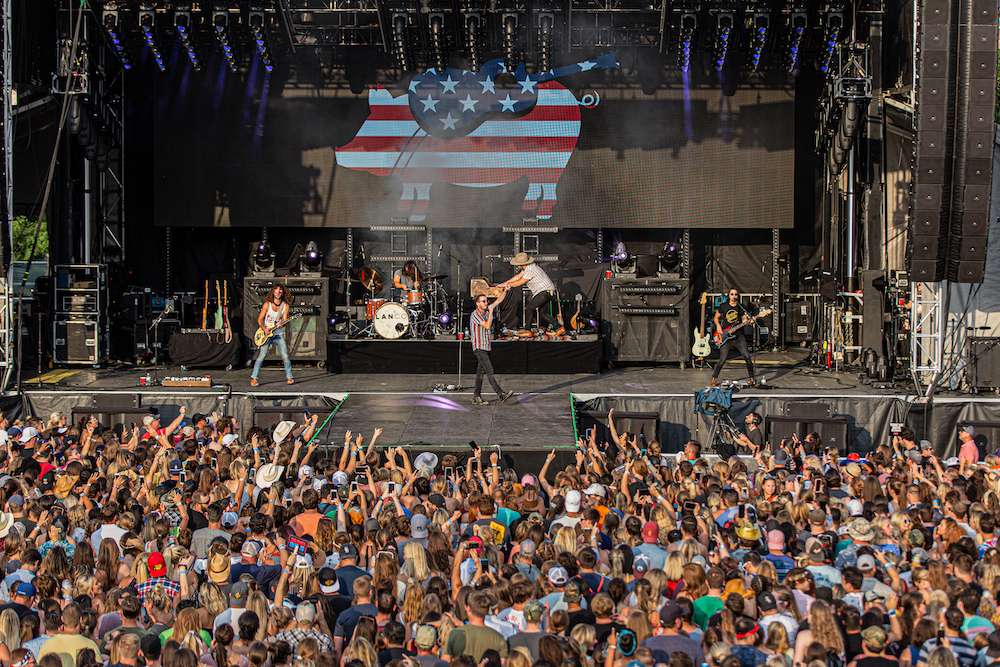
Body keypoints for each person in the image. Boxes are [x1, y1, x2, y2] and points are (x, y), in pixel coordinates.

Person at [496, 253, 561, 334]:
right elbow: (517, 277)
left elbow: (520, 282)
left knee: (529, 309)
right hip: (548, 291)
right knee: (543, 313)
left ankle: (527, 330)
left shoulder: (531, 269)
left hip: (544, 292)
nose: (517, 266)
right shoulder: (527, 268)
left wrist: (507, 285)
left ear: (521, 264)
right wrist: (503, 284)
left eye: (518, 264)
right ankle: (559, 328)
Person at [469, 290, 514, 406]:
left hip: (486, 347)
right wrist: (491, 312)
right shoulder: (475, 314)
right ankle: (501, 394)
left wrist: (506, 290)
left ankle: (476, 396)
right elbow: (487, 326)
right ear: (477, 304)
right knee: (490, 371)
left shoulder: (486, 310)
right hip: (479, 348)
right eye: (483, 301)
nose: (486, 303)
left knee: (480, 373)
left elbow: (498, 301)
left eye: (486, 301)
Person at [710, 288, 757, 386]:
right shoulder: (724, 306)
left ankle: (752, 379)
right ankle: (714, 379)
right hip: (725, 335)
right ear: (729, 295)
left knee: (747, 356)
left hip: (739, 336)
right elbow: (715, 318)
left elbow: (744, 319)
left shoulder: (741, 307)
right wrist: (718, 326)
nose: (734, 296)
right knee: (722, 359)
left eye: (736, 294)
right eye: (732, 294)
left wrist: (749, 322)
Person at [250, 285, 294, 387]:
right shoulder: (267, 305)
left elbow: (285, 320)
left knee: (285, 356)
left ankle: (289, 377)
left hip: (278, 334)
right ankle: (254, 378)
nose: (278, 292)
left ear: (282, 293)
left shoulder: (285, 305)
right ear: (273, 292)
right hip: (266, 334)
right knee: (262, 356)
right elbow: (260, 319)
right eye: (276, 291)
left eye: (280, 291)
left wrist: (282, 323)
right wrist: (264, 328)